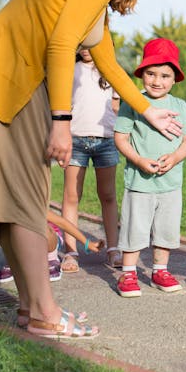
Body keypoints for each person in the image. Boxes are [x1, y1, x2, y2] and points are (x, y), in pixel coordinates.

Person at [0, 0, 183, 339]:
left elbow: (109, 63)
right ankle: (43, 310)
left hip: (1, 79)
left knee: (14, 200)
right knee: (26, 196)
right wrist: (62, 120)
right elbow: (61, 46)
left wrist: (147, 110)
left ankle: (31, 308)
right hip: (7, 82)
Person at [113, 38, 186, 297]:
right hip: (140, 183)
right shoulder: (133, 103)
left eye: (164, 75)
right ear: (142, 75)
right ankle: (128, 274)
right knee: (134, 227)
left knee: (166, 229)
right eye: (151, 74)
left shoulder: (179, 106)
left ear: (174, 80)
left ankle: (160, 270)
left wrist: (175, 158)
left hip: (170, 184)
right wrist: (138, 160)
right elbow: (121, 138)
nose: (157, 81)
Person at [0, 207, 103, 328]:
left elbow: (60, 221)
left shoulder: (18, 205)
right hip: (23, 248)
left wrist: (87, 242)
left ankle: (49, 263)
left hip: (48, 241)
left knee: (37, 228)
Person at [60, 49, 121, 273]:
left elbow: (116, 106)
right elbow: (61, 107)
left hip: (106, 141)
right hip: (75, 141)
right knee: (71, 196)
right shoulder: (69, 71)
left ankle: (113, 249)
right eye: (81, 42)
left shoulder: (112, 71)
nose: (86, 48)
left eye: (91, 42)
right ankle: (71, 252)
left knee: (108, 195)